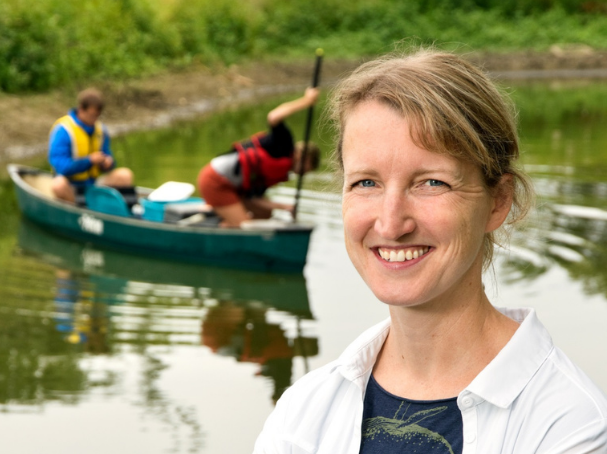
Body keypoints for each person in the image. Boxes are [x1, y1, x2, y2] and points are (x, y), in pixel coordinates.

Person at [254, 50, 607, 453]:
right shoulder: (302, 413)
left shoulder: (572, 426)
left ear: (498, 200)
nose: (390, 224)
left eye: (432, 183)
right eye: (366, 183)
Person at [197, 88, 321, 227]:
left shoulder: (281, 171)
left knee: (264, 214)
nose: (302, 173)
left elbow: (255, 198)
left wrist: (285, 207)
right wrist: (306, 101)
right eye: (305, 169)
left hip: (234, 188)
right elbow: (274, 116)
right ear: (304, 157)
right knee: (244, 225)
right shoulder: (284, 146)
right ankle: (219, 228)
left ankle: (223, 217)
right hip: (216, 180)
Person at [49, 88, 133, 202]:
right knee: (58, 185)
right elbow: (61, 167)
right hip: (71, 186)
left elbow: (107, 154)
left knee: (124, 175)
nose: (94, 120)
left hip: (92, 184)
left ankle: (121, 211)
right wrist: (89, 161)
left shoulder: (101, 130)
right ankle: (78, 211)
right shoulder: (63, 130)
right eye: (92, 115)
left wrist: (107, 163)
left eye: (97, 116)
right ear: (81, 109)